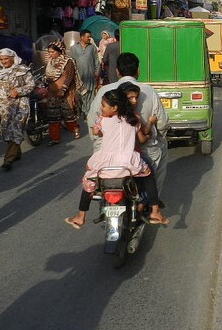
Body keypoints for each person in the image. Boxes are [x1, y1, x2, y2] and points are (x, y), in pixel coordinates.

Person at [64, 88, 167, 229]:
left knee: (88, 184)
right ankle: (155, 211)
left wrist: (103, 130)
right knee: (148, 175)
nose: (101, 108)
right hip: (129, 165)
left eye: (103, 106)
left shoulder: (102, 120)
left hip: (104, 165)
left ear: (114, 108)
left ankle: (80, 216)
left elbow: (96, 132)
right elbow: (142, 138)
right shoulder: (134, 119)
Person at [88, 53, 170, 196]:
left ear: (117, 72)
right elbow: (162, 124)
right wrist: (157, 136)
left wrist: (99, 141)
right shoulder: (149, 91)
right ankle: (153, 207)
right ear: (138, 70)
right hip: (142, 151)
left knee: (93, 184)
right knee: (161, 153)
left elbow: (91, 122)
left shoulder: (104, 91)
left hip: (106, 152)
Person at [0, 48, 35, 170]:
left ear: (12, 58)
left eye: (6, 59)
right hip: (3, 107)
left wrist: (18, 91)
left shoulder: (22, 70)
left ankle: (8, 160)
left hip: (19, 105)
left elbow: (31, 85)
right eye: (1, 59)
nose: (4, 61)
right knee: (5, 131)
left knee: (16, 129)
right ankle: (16, 153)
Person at [44, 41, 81, 145]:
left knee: (68, 113)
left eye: (52, 52)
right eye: (49, 52)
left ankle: (74, 128)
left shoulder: (68, 61)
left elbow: (69, 76)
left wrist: (63, 89)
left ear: (59, 51)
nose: (50, 54)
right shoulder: (50, 62)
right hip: (52, 91)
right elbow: (48, 76)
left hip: (65, 91)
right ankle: (55, 138)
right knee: (53, 114)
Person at [70, 30, 100, 119]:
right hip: (78, 77)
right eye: (88, 37)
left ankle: (88, 113)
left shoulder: (92, 48)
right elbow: (72, 62)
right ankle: (81, 110)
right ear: (82, 37)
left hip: (90, 76)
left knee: (89, 95)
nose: (89, 38)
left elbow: (96, 62)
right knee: (80, 95)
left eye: (90, 37)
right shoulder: (74, 48)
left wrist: (97, 73)